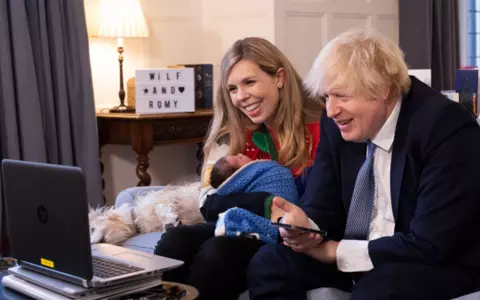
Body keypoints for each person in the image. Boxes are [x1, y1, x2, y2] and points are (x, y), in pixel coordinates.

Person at [247, 28, 480, 300]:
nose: (331, 110)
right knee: (270, 262)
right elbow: (322, 203)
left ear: (382, 90)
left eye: (341, 96)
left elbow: (431, 243)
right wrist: (304, 227)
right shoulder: (337, 123)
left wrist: (334, 251)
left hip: (433, 262)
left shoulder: (444, 127)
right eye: (326, 97)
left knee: (381, 288)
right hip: (358, 254)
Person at [154, 37, 324, 300]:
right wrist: (263, 202)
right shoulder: (244, 137)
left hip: (292, 234)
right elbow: (210, 205)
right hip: (248, 224)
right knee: (175, 240)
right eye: (232, 89)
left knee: (218, 252)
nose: (241, 97)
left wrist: (252, 202)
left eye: (249, 82)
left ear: (279, 78)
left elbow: (313, 206)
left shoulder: (320, 130)